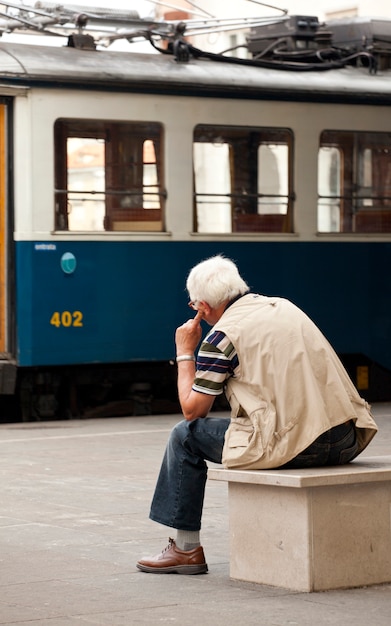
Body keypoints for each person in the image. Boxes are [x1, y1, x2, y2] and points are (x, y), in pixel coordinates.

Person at [136, 255, 377, 575]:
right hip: (347, 436)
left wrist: (184, 352)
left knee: (184, 435)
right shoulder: (285, 307)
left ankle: (185, 549)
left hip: (299, 445)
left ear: (202, 307)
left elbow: (193, 410)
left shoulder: (220, 337)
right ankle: (184, 549)